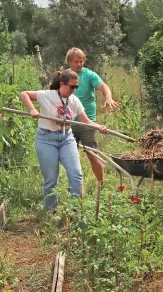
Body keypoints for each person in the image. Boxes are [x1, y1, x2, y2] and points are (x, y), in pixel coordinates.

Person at [20, 69, 106, 210]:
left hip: (67, 139)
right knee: (51, 180)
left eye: (76, 87)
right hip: (46, 139)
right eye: (72, 86)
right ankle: (51, 213)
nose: (74, 89)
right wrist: (32, 109)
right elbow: (24, 94)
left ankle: (76, 211)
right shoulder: (47, 95)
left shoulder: (74, 100)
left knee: (76, 175)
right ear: (62, 84)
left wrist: (99, 127)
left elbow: (86, 121)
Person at [65, 47, 120, 184]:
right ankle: (74, 186)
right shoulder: (64, 76)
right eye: (76, 61)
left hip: (87, 123)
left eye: (82, 61)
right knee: (70, 157)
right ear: (69, 62)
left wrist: (108, 98)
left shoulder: (89, 75)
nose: (80, 64)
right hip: (68, 123)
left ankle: (101, 184)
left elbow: (103, 86)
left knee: (93, 155)